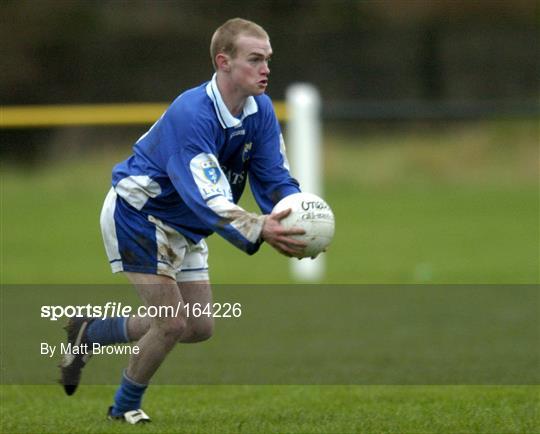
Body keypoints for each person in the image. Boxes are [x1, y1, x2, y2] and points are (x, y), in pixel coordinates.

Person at [60, 17, 307, 424]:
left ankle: (90, 332)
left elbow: (275, 175)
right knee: (171, 323)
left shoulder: (259, 109)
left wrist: (298, 212)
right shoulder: (193, 114)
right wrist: (258, 226)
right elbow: (207, 197)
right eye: (255, 59)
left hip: (186, 222)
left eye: (268, 59)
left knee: (198, 326)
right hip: (139, 214)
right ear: (223, 62)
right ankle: (122, 410)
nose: (266, 68)